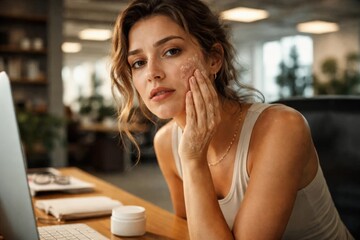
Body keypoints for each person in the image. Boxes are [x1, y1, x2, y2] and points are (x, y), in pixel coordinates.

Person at [110, 0, 354, 239]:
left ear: (214, 59)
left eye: (171, 51)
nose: (152, 73)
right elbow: (191, 233)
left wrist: (194, 160)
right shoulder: (166, 142)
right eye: (138, 62)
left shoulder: (281, 128)